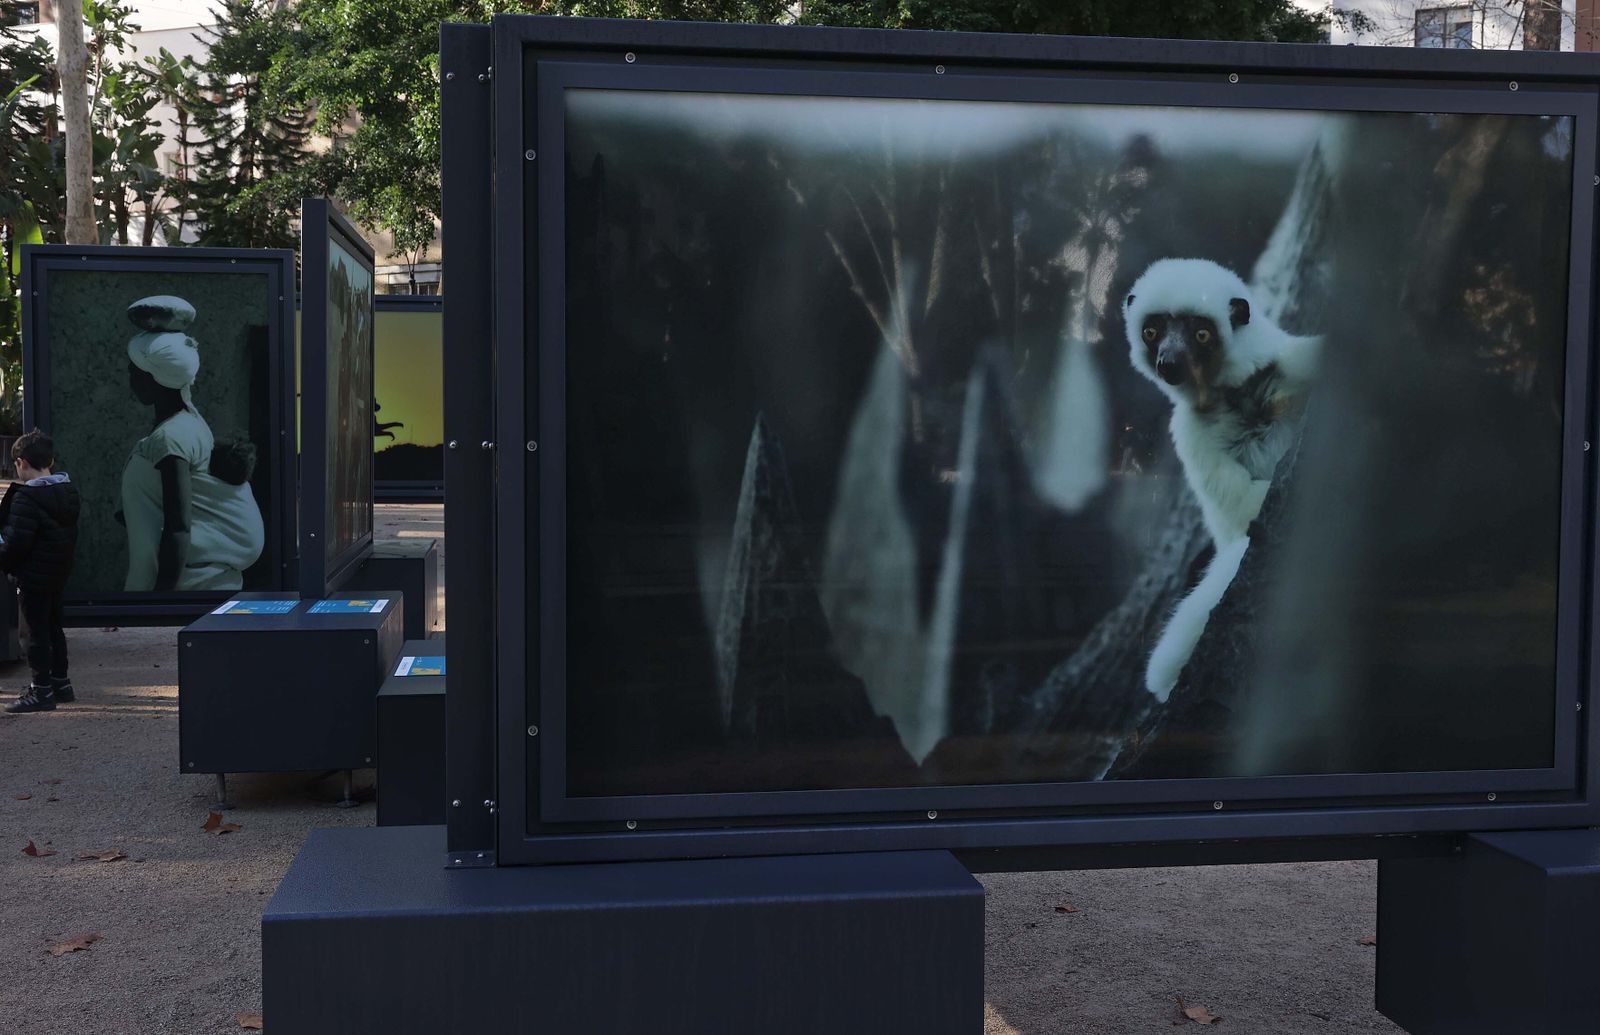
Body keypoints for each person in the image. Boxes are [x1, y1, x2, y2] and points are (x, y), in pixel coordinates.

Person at [120, 296, 265, 591]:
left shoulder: (171, 438)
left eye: (135, 372)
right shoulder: (190, 421)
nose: (129, 378)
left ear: (155, 379)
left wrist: (160, 603)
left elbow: (178, 527)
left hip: (192, 586)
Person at [0, 431, 81, 714]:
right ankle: (62, 684)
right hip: (58, 573)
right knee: (55, 628)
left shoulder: (26, 499)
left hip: (33, 576)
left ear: (21, 463)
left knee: (34, 634)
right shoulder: (68, 492)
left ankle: (41, 691)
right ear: (52, 460)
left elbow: (15, 544)